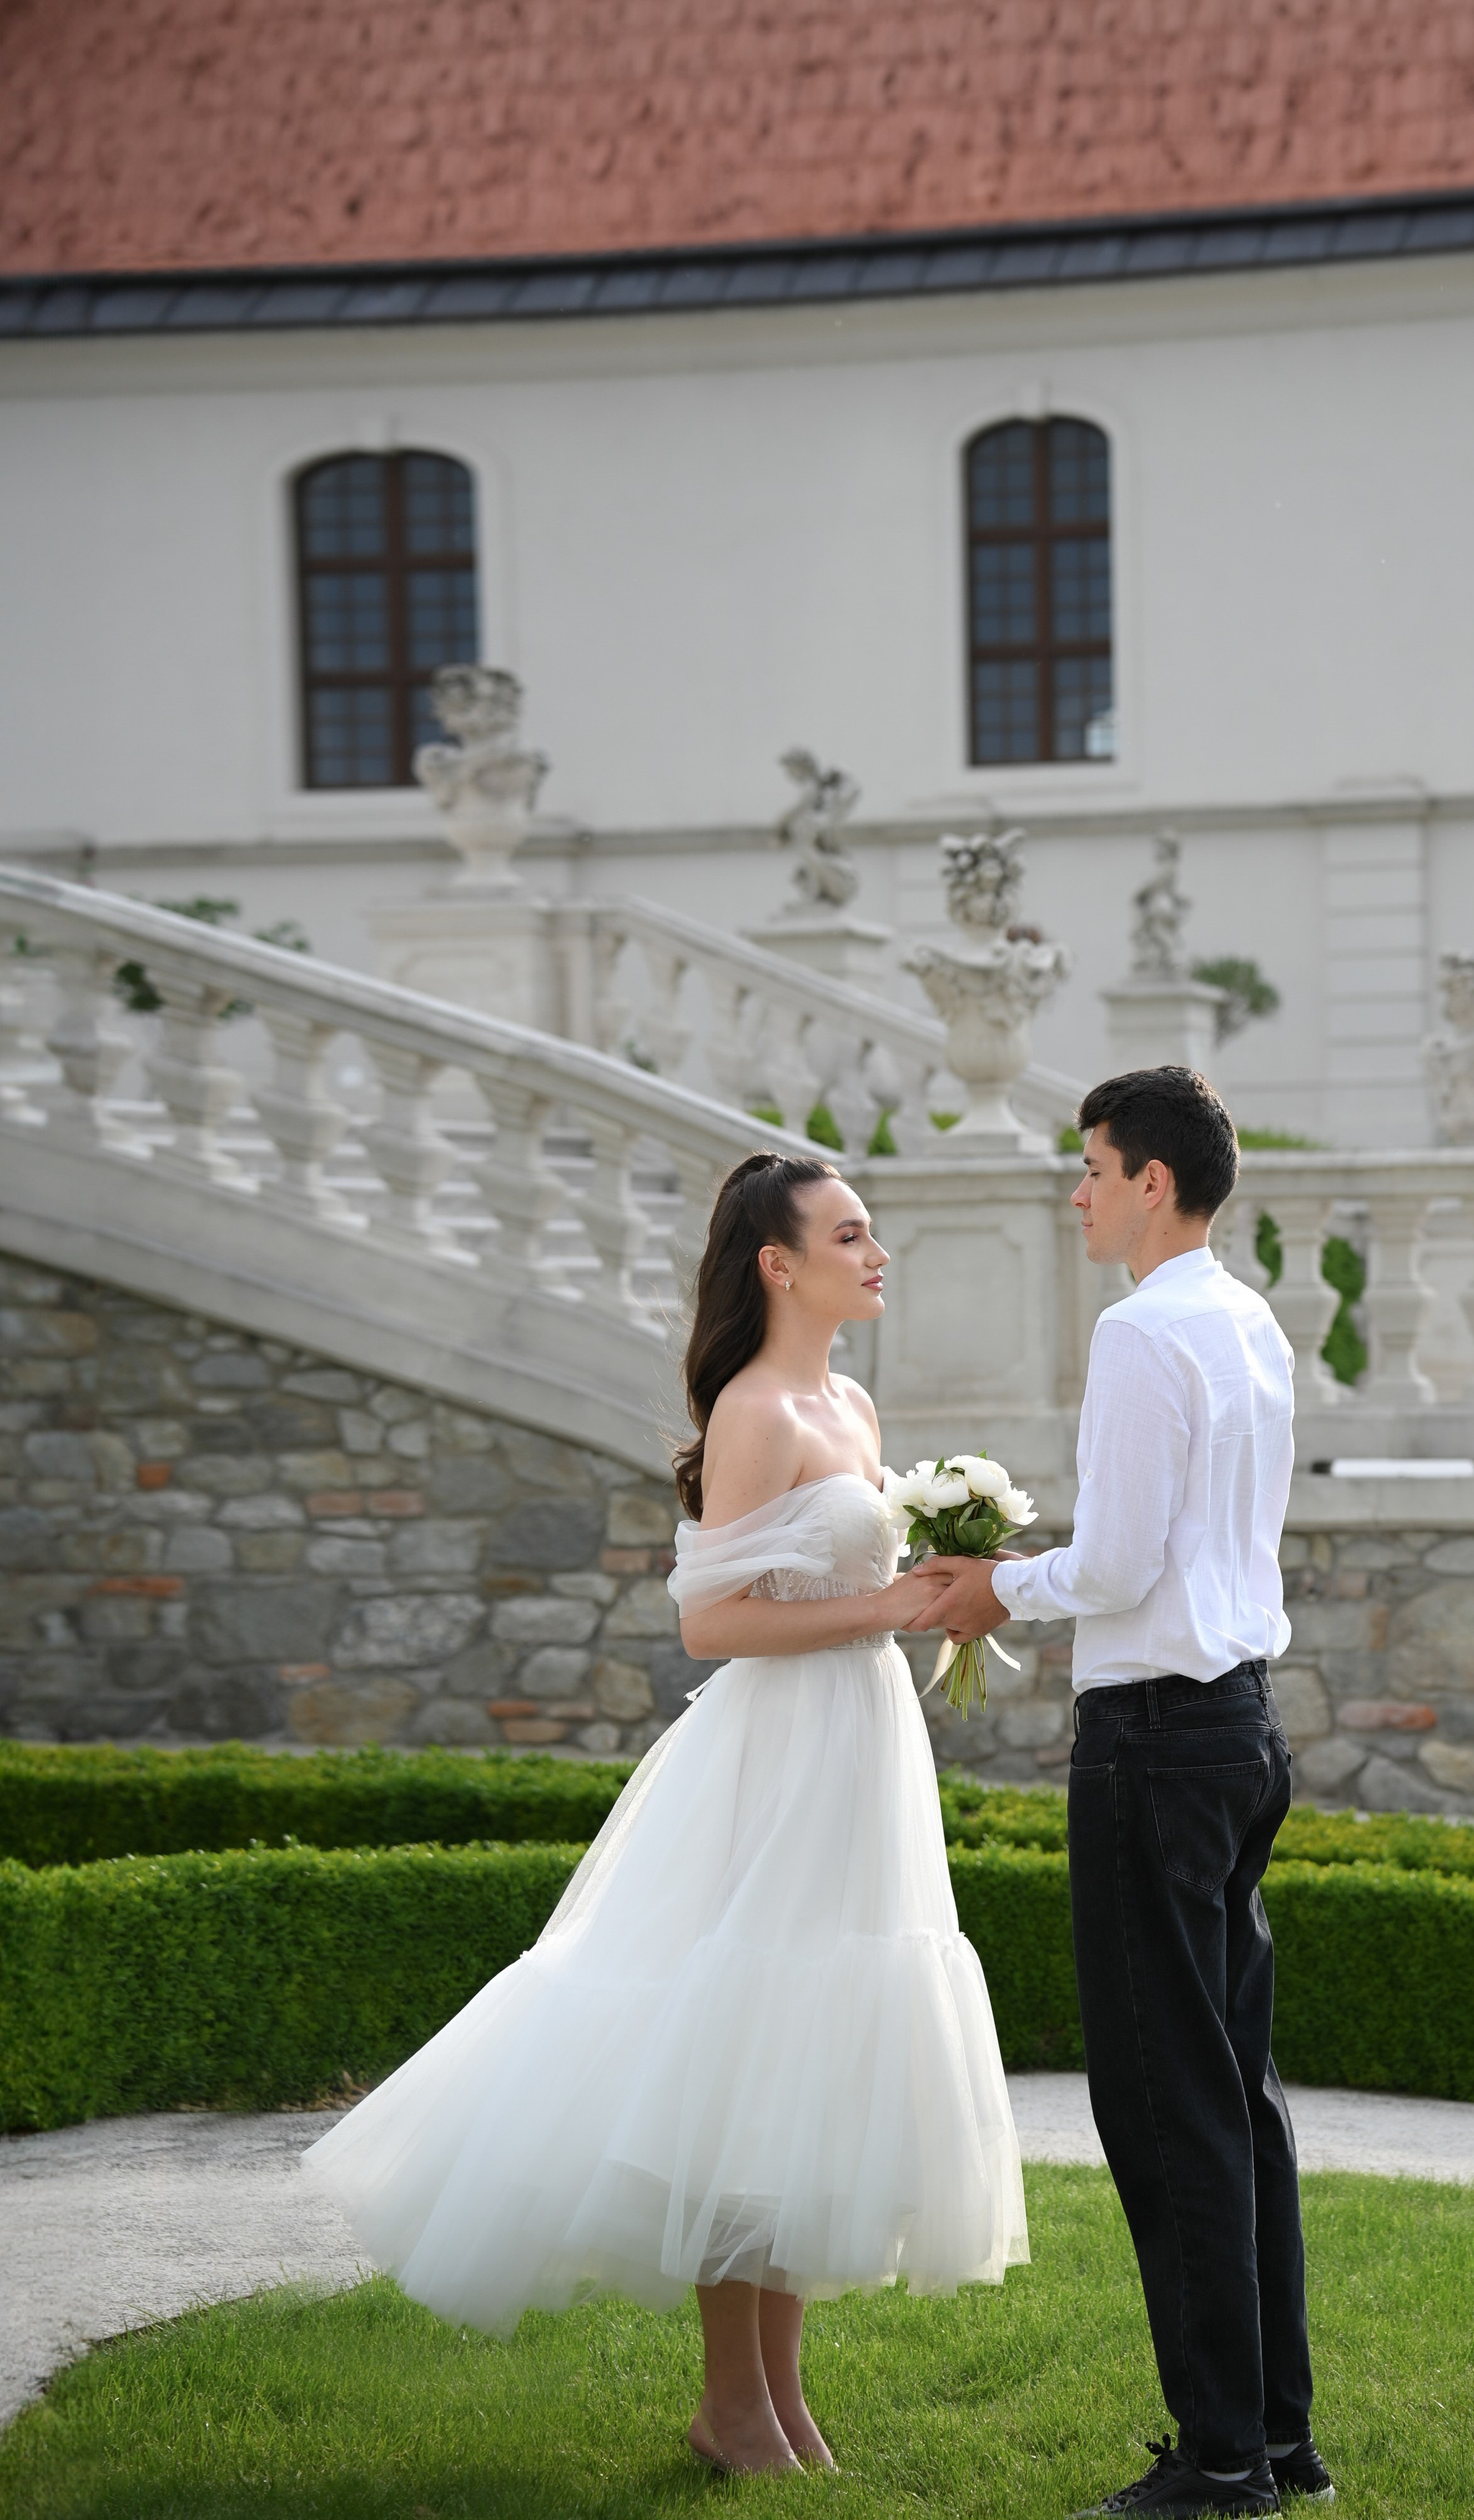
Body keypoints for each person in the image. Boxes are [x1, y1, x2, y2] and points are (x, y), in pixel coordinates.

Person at [303, 1151, 1027, 2476]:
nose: (877, 1255)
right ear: (779, 1263)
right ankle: (730, 2402)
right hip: (775, 1757)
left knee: (809, 2052)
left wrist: (929, 1584)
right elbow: (709, 1624)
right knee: (740, 2041)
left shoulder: (854, 1404)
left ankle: (780, 2395)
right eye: (851, 1234)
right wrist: (887, 1607)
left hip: (862, 1750)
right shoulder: (757, 1412)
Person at [910, 1066, 1333, 2516]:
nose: (1075, 1191)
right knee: (1239, 2097)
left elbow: (1116, 1568)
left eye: (1089, 1167)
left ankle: (1220, 2459)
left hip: (1155, 1739)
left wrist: (986, 1588)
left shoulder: (1146, 1329)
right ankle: (1276, 2439)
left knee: (1168, 2107)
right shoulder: (1249, 1315)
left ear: (1151, 1179)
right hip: (1238, 1730)